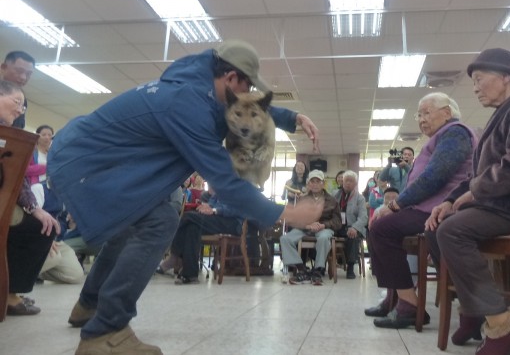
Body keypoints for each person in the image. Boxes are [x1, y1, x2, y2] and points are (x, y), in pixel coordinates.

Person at [47, 40, 323, 355]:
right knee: (160, 220)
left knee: (129, 226)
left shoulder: (200, 84)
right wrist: (284, 213)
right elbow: (226, 182)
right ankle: (106, 331)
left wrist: (292, 117)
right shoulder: (187, 105)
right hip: (82, 163)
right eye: (247, 86)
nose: (248, 94)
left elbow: (243, 107)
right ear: (231, 78)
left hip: (86, 156)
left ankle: (90, 305)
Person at [425, 48, 510, 355]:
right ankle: (474, 311)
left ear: (505, 76)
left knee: (452, 231)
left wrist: (473, 193)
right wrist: (448, 201)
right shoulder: (506, 112)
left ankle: (505, 324)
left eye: (479, 79)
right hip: (497, 204)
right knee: (436, 226)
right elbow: (477, 174)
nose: (474, 87)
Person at [364, 92, 476, 329]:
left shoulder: (455, 132)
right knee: (376, 225)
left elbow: (435, 177)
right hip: (425, 207)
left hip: (439, 209)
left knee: (382, 229)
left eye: (427, 112)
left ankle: (408, 305)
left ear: (447, 113)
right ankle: (394, 298)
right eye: (419, 114)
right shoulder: (440, 136)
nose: (421, 119)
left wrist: (395, 205)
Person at [1, 80, 60, 315]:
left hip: (8, 200)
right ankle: (9, 294)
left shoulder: (11, 137)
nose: (19, 110)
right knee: (37, 228)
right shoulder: (11, 138)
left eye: (23, 107)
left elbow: (16, 177)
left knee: (43, 225)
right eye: (17, 102)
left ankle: (10, 292)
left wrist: (34, 207)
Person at [157, 196, 246, 284]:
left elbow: (238, 209)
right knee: (192, 227)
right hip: (218, 218)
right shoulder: (222, 186)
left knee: (187, 216)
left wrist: (215, 210)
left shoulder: (239, 185)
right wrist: (207, 206)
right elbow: (213, 201)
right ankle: (190, 274)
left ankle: (175, 256)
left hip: (232, 223)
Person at [281, 170, 341, 286]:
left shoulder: (332, 200)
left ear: (323, 183)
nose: (315, 184)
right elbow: (296, 219)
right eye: (312, 181)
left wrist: (323, 225)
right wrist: (307, 225)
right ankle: (302, 270)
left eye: (317, 181)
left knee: (324, 238)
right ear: (308, 184)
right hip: (305, 228)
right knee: (285, 239)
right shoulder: (302, 199)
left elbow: (337, 222)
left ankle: (318, 271)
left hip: (324, 228)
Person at [332, 170, 369, 279]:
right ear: (342, 182)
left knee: (352, 236)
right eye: (346, 180)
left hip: (352, 226)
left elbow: (363, 217)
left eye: (351, 181)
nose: (348, 183)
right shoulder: (335, 195)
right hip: (337, 226)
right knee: (325, 234)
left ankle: (351, 267)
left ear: (355, 184)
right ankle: (322, 267)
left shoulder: (360, 198)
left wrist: (355, 228)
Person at [0, 51, 35, 129]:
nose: (23, 77)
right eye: (19, 71)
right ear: (3, 67)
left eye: (28, 74)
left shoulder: (23, 102)